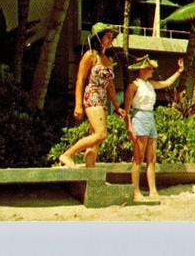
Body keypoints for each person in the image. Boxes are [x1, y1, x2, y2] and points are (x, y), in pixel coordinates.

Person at [58, 23, 126, 167]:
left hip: (102, 99)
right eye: (108, 37)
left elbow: (111, 85)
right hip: (93, 95)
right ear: (99, 38)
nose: (111, 40)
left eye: (111, 37)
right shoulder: (90, 55)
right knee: (101, 134)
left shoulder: (107, 60)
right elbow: (80, 80)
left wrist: (116, 105)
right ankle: (67, 154)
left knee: (94, 138)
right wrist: (78, 105)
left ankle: (91, 174)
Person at [124, 55, 184, 202]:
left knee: (151, 158)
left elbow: (165, 83)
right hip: (139, 117)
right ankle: (136, 192)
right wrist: (129, 127)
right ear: (142, 70)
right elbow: (126, 110)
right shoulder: (133, 86)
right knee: (138, 158)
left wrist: (179, 71)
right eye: (149, 68)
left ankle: (153, 191)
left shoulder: (150, 84)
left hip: (150, 117)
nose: (152, 70)